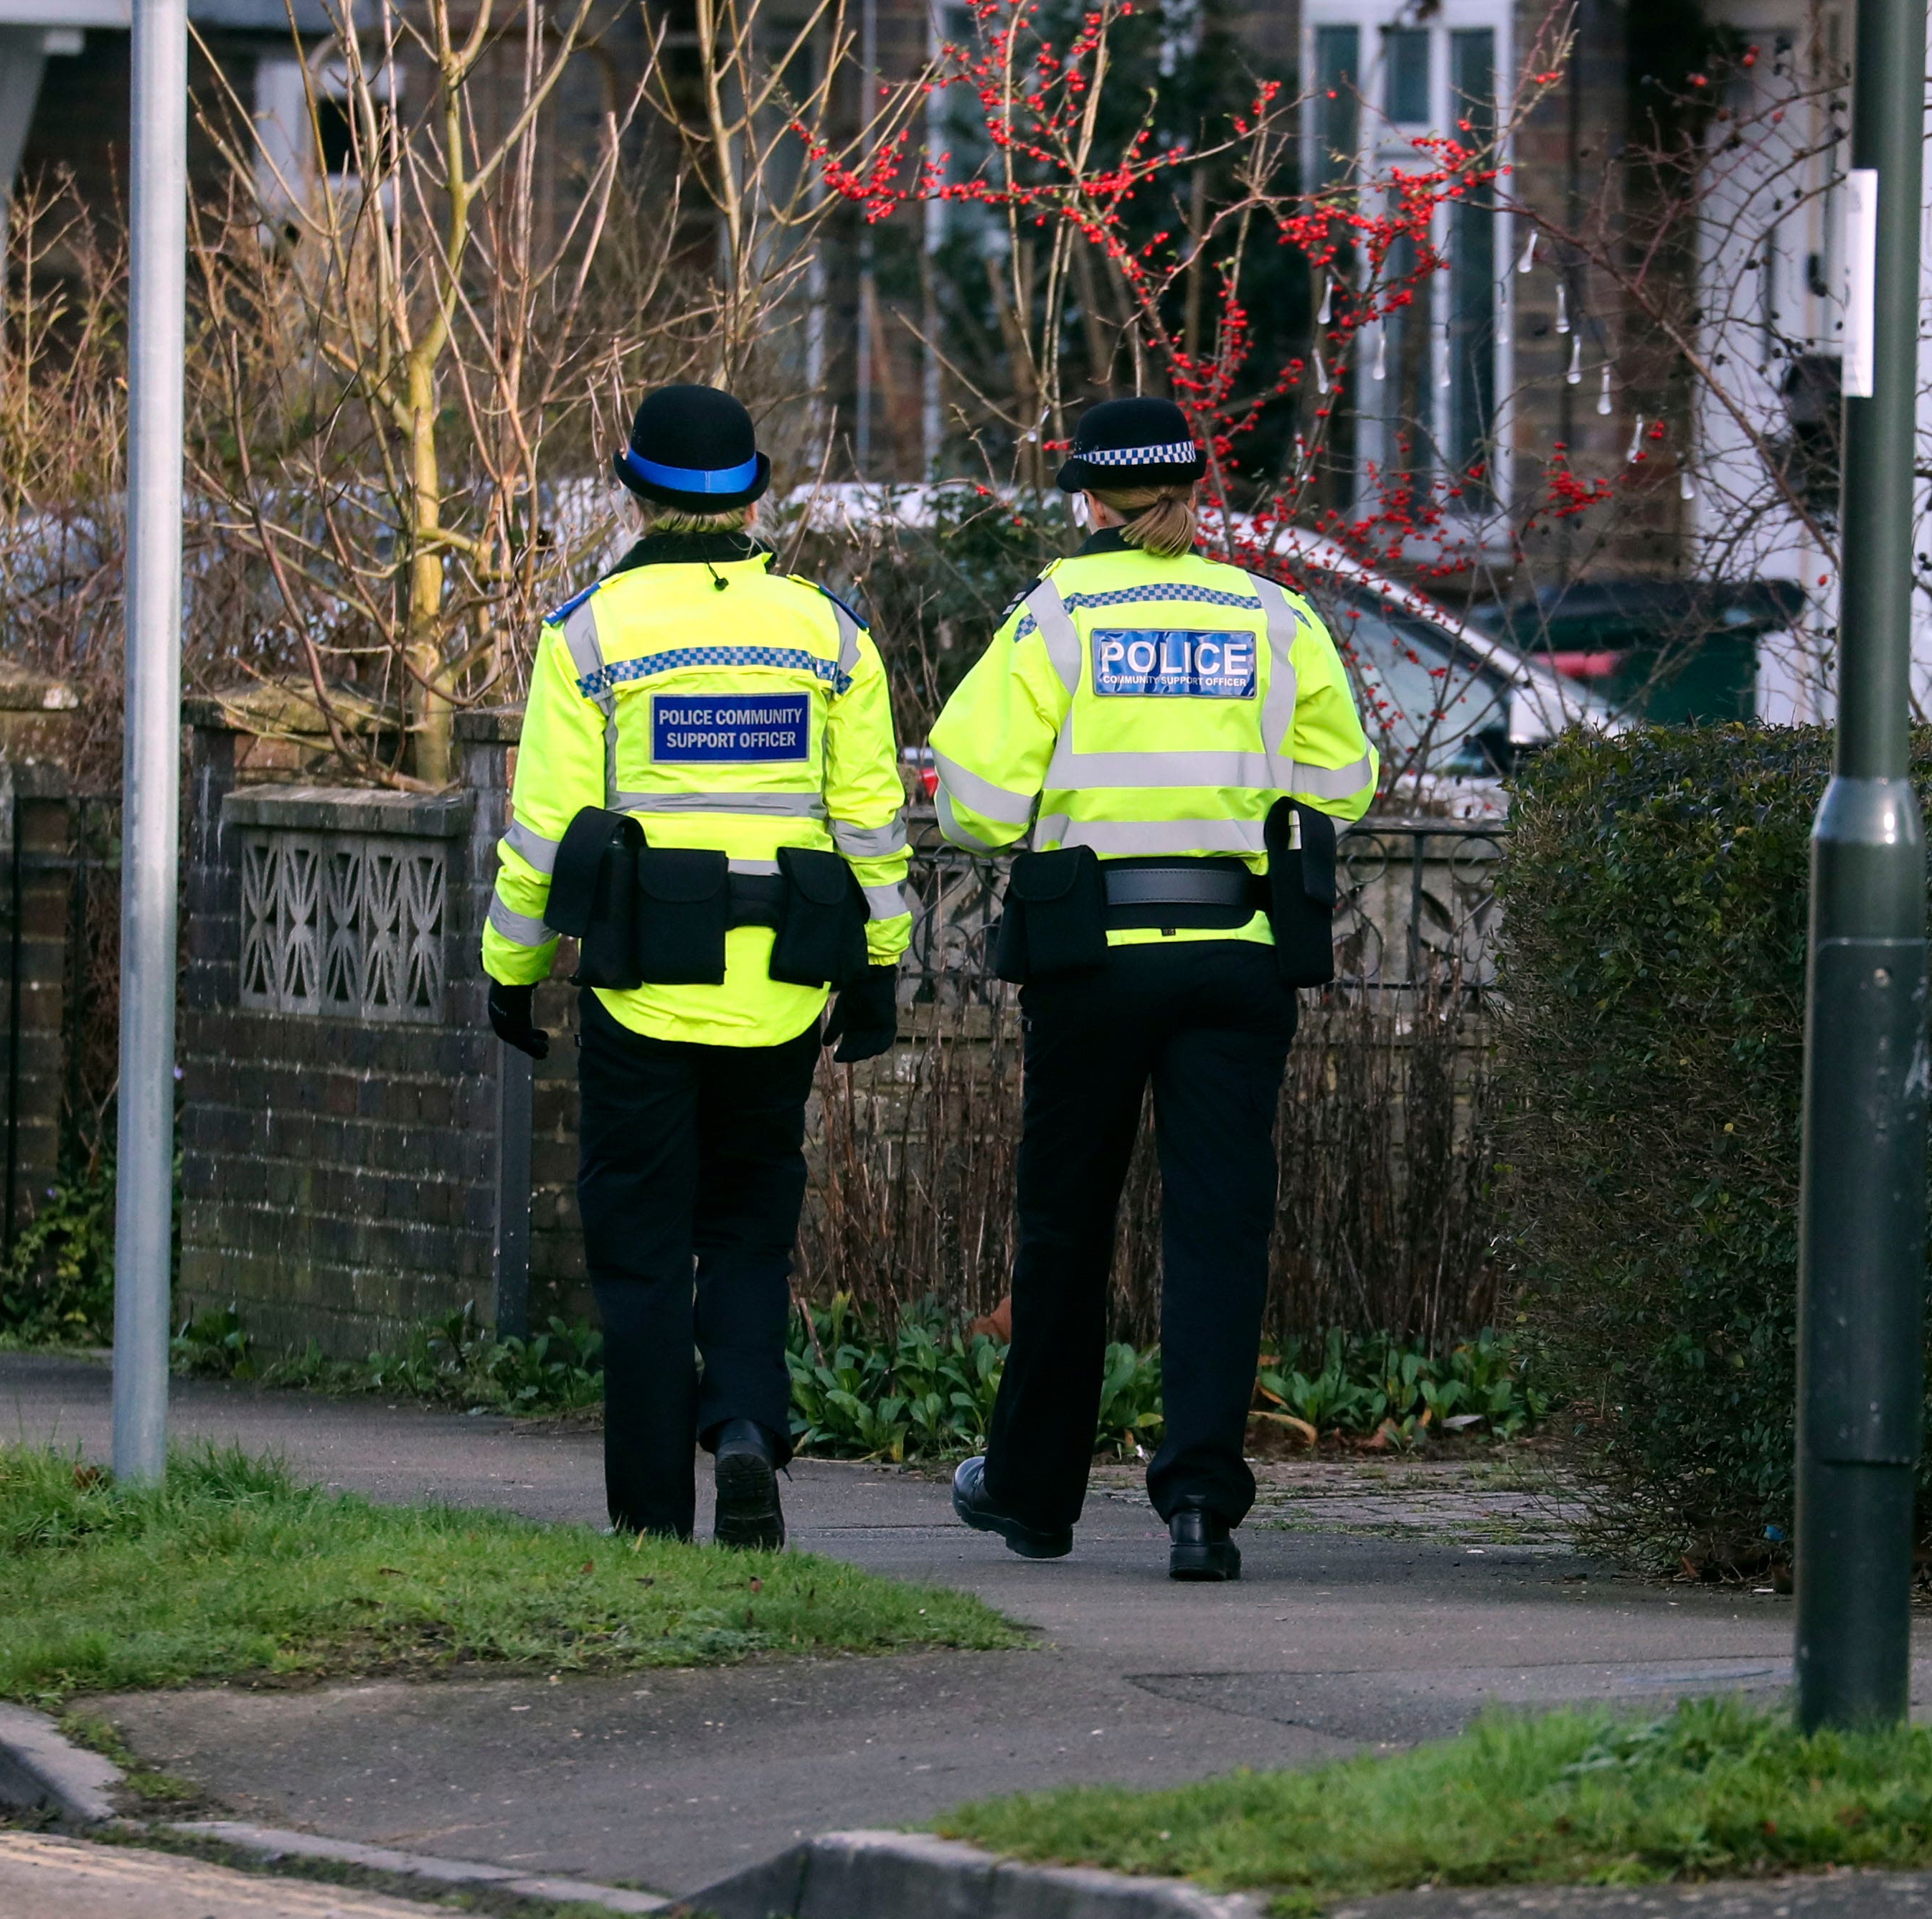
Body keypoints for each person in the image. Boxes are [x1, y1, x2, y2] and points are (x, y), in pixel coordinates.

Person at [928, 396, 1378, 1581]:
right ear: (1195, 490)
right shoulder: (1273, 616)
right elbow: (1343, 782)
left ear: (1090, 499)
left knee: (1066, 1224)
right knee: (1218, 1227)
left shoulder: (1060, 613)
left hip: (1093, 960)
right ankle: (1198, 1506)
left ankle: (1032, 1493)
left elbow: (970, 796)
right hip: (1237, 954)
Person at [481, 382, 910, 1549]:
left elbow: (547, 833)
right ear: (749, 498)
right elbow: (869, 817)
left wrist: (510, 971)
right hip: (780, 991)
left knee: (639, 1252)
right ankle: (744, 1432)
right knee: (749, 1234)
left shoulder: (589, 636)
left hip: (643, 985)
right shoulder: (830, 631)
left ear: (635, 492)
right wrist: (878, 965)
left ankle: (651, 1520)